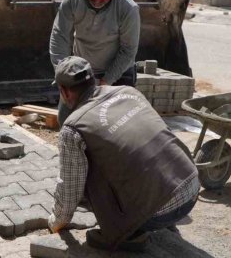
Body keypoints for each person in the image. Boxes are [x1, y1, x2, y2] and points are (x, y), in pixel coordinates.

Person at [47, 56, 199, 252]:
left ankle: (128, 235)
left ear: (65, 92)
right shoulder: (128, 91)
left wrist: (56, 221)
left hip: (159, 212)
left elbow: (70, 190)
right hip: (191, 186)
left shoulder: (74, 127)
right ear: (92, 79)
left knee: (89, 170)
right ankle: (158, 212)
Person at [49, 0, 140, 125]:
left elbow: (128, 50)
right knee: (67, 120)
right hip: (81, 72)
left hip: (117, 73)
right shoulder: (73, 0)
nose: (97, 2)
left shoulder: (127, 8)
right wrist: (63, 73)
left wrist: (106, 81)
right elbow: (59, 37)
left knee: (114, 124)